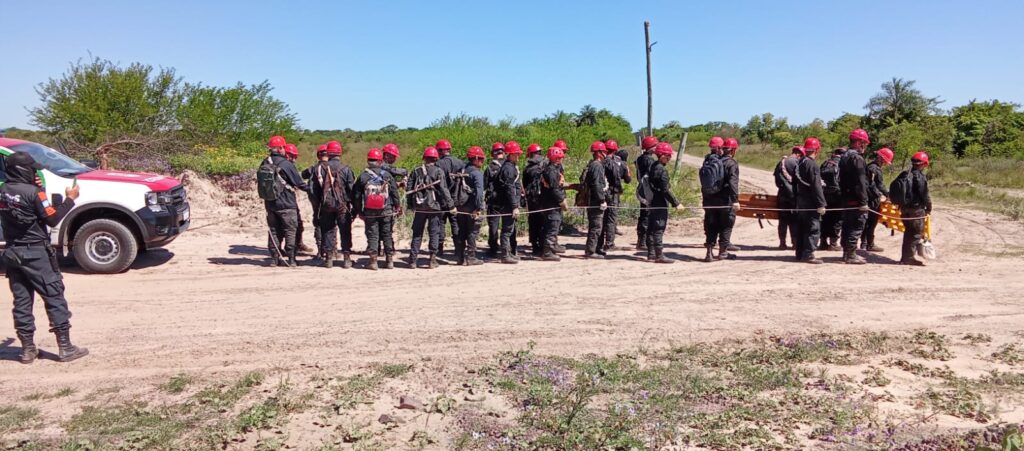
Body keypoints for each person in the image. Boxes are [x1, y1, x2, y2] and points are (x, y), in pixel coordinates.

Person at [0, 152, 88, 363]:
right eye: (32, 169)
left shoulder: (3, 191)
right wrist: (70, 199)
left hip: (13, 253)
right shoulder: (35, 193)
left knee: (22, 301)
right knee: (54, 296)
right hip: (36, 253)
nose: (35, 172)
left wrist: (35, 187)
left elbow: (22, 207)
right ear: (23, 170)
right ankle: (65, 348)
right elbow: (52, 219)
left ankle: (27, 349)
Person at [259, 135, 309, 267]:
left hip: (270, 204)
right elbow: (299, 183)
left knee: (274, 231)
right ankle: (291, 259)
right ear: (281, 148)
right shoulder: (286, 164)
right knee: (290, 231)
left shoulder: (265, 162)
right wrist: (314, 190)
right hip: (287, 204)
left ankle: (274, 260)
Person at [406, 146, 454, 269]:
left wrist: (410, 205)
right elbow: (444, 189)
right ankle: (432, 260)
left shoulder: (416, 171)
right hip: (434, 208)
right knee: (434, 233)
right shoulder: (438, 171)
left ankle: (412, 261)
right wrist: (451, 205)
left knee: (417, 234)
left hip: (420, 207)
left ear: (424, 158)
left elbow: (409, 189)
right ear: (436, 158)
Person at [353, 148, 400, 270]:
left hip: (370, 211)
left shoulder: (363, 176)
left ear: (368, 161)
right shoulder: (387, 175)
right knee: (387, 234)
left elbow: (357, 196)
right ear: (380, 161)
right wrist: (397, 206)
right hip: (386, 210)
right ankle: (389, 261)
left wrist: (359, 211)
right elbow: (394, 193)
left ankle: (373, 262)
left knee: (372, 235)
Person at [646, 143, 685, 263]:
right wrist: (676, 203)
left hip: (652, 200)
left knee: (651, 227)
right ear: (662, 155)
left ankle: (651, 253)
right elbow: (665, 190)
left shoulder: (653, 166)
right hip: (660, 202)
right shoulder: (662, 170)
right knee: (659, 228)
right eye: (668, 156)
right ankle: (659, 255)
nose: (669, 158)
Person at [321, 141, 357, 268]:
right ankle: (346, 259)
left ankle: (329, 259)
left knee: (328, 230)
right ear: (340, 153)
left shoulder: (321, 168)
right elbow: (352, 190)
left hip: (326, 205)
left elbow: (314, 189)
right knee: (345, 230)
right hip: (343, 205)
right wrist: (354, 208)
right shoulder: (346, 169)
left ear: (328, 153)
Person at [838, 129, 871, 264]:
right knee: (856, 226)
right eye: (864, 143)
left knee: (847, 226)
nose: (865, 146)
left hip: (846, 198)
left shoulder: (844, 157)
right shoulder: (857, 158)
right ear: (858, 142)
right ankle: (851, 255)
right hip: (856, 199)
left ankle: (846, 253)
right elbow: (860, 182)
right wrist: (864, 202)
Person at [793, 137, 827, 264]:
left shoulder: (800, 162)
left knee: (802, 228)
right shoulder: (812, 165)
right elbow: (816, 185)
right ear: (817, 150)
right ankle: (808, 254)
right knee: (813, 229)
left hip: (801, 201)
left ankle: (800, 253)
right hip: (811, 202)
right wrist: (821, 204)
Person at [454, 146, 487, 266]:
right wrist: (478, 208)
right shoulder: (476, 173)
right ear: (476, 159)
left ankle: (460, 258)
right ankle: (471, 257)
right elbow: (479, 193)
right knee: (472, 232)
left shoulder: (462, 170)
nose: (482, 162)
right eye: (481, 159)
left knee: (461, 232)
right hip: (471, 207)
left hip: (460, 206)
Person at [899, 151, 932, 266]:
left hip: (904, 209)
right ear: (924, 164)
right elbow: (925, 195)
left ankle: (905, 257)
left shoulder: (904, 174)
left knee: (908, 232)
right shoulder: (920, 177)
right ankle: (908, 258)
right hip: (916, 210)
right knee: (915, 233)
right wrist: (929, 207)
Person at [493, 142, 523, 264]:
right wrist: (514, 206)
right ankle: (505, 255)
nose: (518, 156)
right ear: (510, 155)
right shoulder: (508, 169)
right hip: (507, 204)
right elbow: (510, 189)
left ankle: (508, 252)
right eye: (516, 154)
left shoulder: (509, 167)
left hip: (507, 203)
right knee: (507, 230)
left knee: (510, 229)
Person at [598, 139, 630, 251]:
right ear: (616, 150)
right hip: (614, 193)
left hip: (601, 192)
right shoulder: (620, 162)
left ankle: (599, 243)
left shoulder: (600, 162)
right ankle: (609, 243)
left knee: (602, 218)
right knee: (611, 218)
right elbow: (628, 179)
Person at [435, 139, 464, 257]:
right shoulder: (460, 163)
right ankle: (458, 249)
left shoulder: (438, 164)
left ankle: (439, 250)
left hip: (441, 199)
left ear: (440, 151)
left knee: (441, 223)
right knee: (455, 223)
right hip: (456, 198)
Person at [539, 146, 568, 261]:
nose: (561, 159)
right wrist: (562, 200)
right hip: (551, 204)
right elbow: (554, 188)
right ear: (555, 158)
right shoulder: (551, 170)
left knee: (553, 226)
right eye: (559, 157)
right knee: (552, 227)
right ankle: (547, 252)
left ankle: (551, 248)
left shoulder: (553, 169)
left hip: (551, 203)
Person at [284, 144, 314, 255]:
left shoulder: (272, 163)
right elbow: (299, 182)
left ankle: (278, 251)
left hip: (274, 200)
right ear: (287, 155)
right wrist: (311, 190)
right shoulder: (287, 165)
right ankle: (293, 249)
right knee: (294, 225)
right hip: (287, 200)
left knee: (276, 227)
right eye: (293, 156)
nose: (294, 159)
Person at [862, 147, 893, 252]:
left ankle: (864, 243)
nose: (884, 163)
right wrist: (887, 194)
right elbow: (879, 185)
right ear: (881, 158)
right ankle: (870, 244)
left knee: (867, 222)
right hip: (872, 199)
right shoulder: (875, 169)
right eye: (884, 161)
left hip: (867, 197)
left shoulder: (869, 166)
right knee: (872, 222)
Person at [582, 141, 610, 258]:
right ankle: (590, 251)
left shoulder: (593, 164)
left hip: (593, 199)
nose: (605, 154)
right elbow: (596, 185)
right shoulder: (597, 166)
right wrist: (601, 200)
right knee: (596, 226)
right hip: (595, 201)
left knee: (598, 226)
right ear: (598, 153)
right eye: (604, 152)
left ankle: (597, 248)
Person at [774, 144, 804, 249]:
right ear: (799, 154)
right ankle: (795, 243)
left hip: (782, 195)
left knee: (782, 221)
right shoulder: (797, 163)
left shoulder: (781, 162)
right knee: (794, 221)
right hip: (794, 196)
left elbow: (777, 181)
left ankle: (782, 243)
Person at [301, 144, 329, 258]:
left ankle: (320, 251)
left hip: (316, 202)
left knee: (318, 224)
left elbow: (303, 174)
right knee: (331, 225)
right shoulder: (334, 167)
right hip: (331, 202)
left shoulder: (313, 169)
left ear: (318, 155)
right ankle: (331, 251)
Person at [634, 135, 660, 250]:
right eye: (655, 145)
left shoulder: (640, 158)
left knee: (643, 214)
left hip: (642, 189)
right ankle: (643, 242)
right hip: (648, 190)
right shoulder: (649, 160)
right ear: (650, 147)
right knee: (646, 215)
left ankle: (641, 240)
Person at [522, 143, 547, 256]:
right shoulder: (545, 165)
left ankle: (535, 246)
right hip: (543, 199)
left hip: (532, 200)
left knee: (533, 222)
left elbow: (524, 185)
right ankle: (543, 246)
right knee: (543, 222)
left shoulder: (527, 169)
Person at [819, 147, 845, 251]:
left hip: (825, 194)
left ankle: (823, 242)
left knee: (824, 217)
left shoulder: (825, 163)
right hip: (838, 194)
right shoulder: (843, 163)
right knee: (837, 218)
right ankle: (833, 243)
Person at [484, 142, 506, 258]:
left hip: (494, 201)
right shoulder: (509, 166)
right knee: (508, 225)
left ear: (493, 154)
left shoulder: (489, 168)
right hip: (507, 200)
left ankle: (493, 249)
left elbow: (484, 184)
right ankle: (509, 248)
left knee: (493, 225)